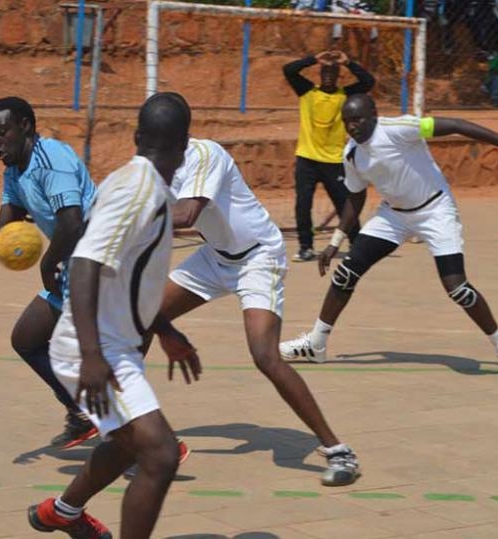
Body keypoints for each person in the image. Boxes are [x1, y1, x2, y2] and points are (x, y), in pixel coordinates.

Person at [27, 92, 202, 539]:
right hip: (94, 350)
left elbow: (125, 276)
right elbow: (85, 264)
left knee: (126, 444)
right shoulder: (138, 190)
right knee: (160, 455)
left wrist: (165, 329)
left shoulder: (140, 185)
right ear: (185, 147)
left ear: (137, 137)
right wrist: (91, 356)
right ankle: (67, 513)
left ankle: (63, 512)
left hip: (111, 345)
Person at [146, 135, 361, 487]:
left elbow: (185, 214)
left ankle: (339, 450)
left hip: (257, 257)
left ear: (179, 137)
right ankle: (140, 437)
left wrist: (123, 215)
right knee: (141, 318)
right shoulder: (152, 167)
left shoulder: (205, 154)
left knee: (264, 355)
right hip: (214, 257)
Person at [280, 94, 498, 381]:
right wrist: (335, 241)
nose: (352, 127)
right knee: (345, 274)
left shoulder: (399, 128)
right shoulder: (352, 153)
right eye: (346, 122)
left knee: (457, 288)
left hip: (435, 209)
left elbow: (456, 124)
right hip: (394, 216)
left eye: (358, 119)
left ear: (374, 114)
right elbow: (356, 196)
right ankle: (316, 343)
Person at [0, 96, 99, 448]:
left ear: (26, 127)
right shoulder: (14, 171)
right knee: (27, 339)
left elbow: (72, 222)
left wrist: (48, 264)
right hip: (71, 266)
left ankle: (152, 441)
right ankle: (80, 413)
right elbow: (7, 222)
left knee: (101, 358)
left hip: (100, 266)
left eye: (2, 132)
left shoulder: (52, 160)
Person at [283, 50, 375, 262]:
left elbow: (369, 81)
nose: (328, 75)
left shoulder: (346, 95)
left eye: (333, 72)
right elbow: (289, 70)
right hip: (306, 158)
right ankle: (306, 246)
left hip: (333, 160)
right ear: (319, 73)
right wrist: (313, 59)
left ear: (338, 76)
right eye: (325, 71)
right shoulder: (307, 92)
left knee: (344, 203)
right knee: (303, 204)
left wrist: (348, 61)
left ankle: (356, 244)